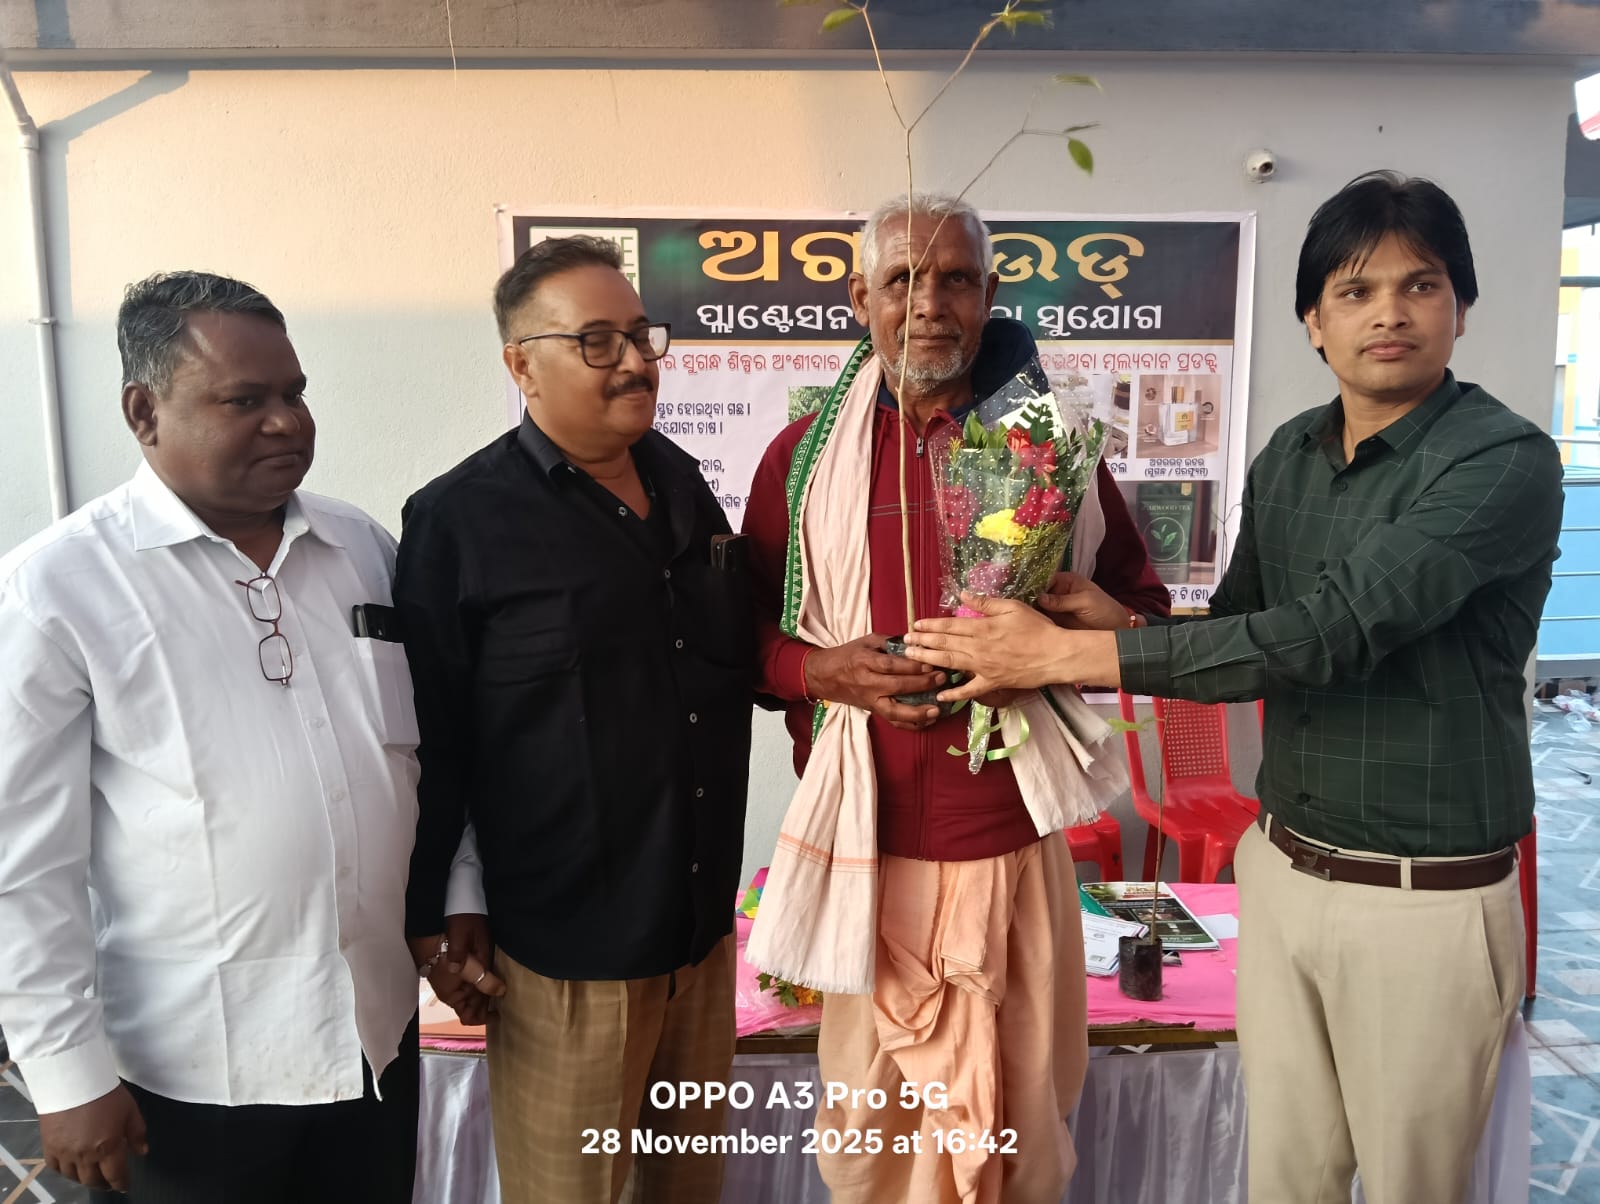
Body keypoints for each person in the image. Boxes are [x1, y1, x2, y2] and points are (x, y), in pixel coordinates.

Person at [906, 171, 1563, 1204]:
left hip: (1422, 901)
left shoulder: (1502, 461)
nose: (1388, 311)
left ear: (1460, 307)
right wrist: (1125, 624)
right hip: (1285, 871)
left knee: (1412, 1190)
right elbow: (1246, 626)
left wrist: (1059, 658)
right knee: (1282, 1181)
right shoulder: (1292, 454)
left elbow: (1331, 633)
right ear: (1311, 321)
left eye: (1419, 284)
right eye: (1354, 291)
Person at [742, 193, 1171, 1204]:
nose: (929, 303)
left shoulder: (1048, 456)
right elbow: (741, 642)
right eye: (902, 279)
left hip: (1007, 842)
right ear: (860, 298)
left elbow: (1142, 616)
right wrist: (821, 672)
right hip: (864, 843)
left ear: (988, 297)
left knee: (1014, 1127)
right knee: (871, 1144)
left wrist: (1075, 627)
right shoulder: (803, 463)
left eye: (957, 279)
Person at [0, 271, 422, 1202]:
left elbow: (416, 758)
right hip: (192, 1072)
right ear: (144, 412)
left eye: (295, 393)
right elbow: (22, 863)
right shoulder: (56, 590)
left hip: (375, 1040)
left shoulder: (361, 550)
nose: (288, 422)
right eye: (245, 400)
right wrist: (67, 1073)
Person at [397, 235, 753, 1204]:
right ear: (522, 364)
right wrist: (433, 914)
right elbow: (436, 738)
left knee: (689, 1193)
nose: (636, 361)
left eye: (640, 335)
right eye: (597, 341)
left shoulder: (680, 482)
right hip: (565, 957)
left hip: (698, 939)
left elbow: (731, 657)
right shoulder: (459, 520)